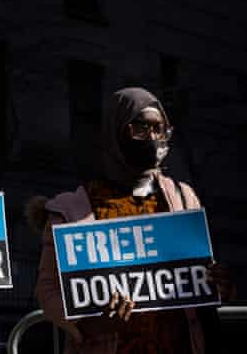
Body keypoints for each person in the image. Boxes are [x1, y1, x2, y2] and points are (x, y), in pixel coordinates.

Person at [27, 87, 237, 354]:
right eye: (141, 128)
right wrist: (91, 321)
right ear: (116, 131)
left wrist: (220, 284)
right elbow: (48, 291)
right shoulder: (73, 209)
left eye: (159, 129)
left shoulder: (183, 197)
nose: (151, 137)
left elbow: (200, 277)